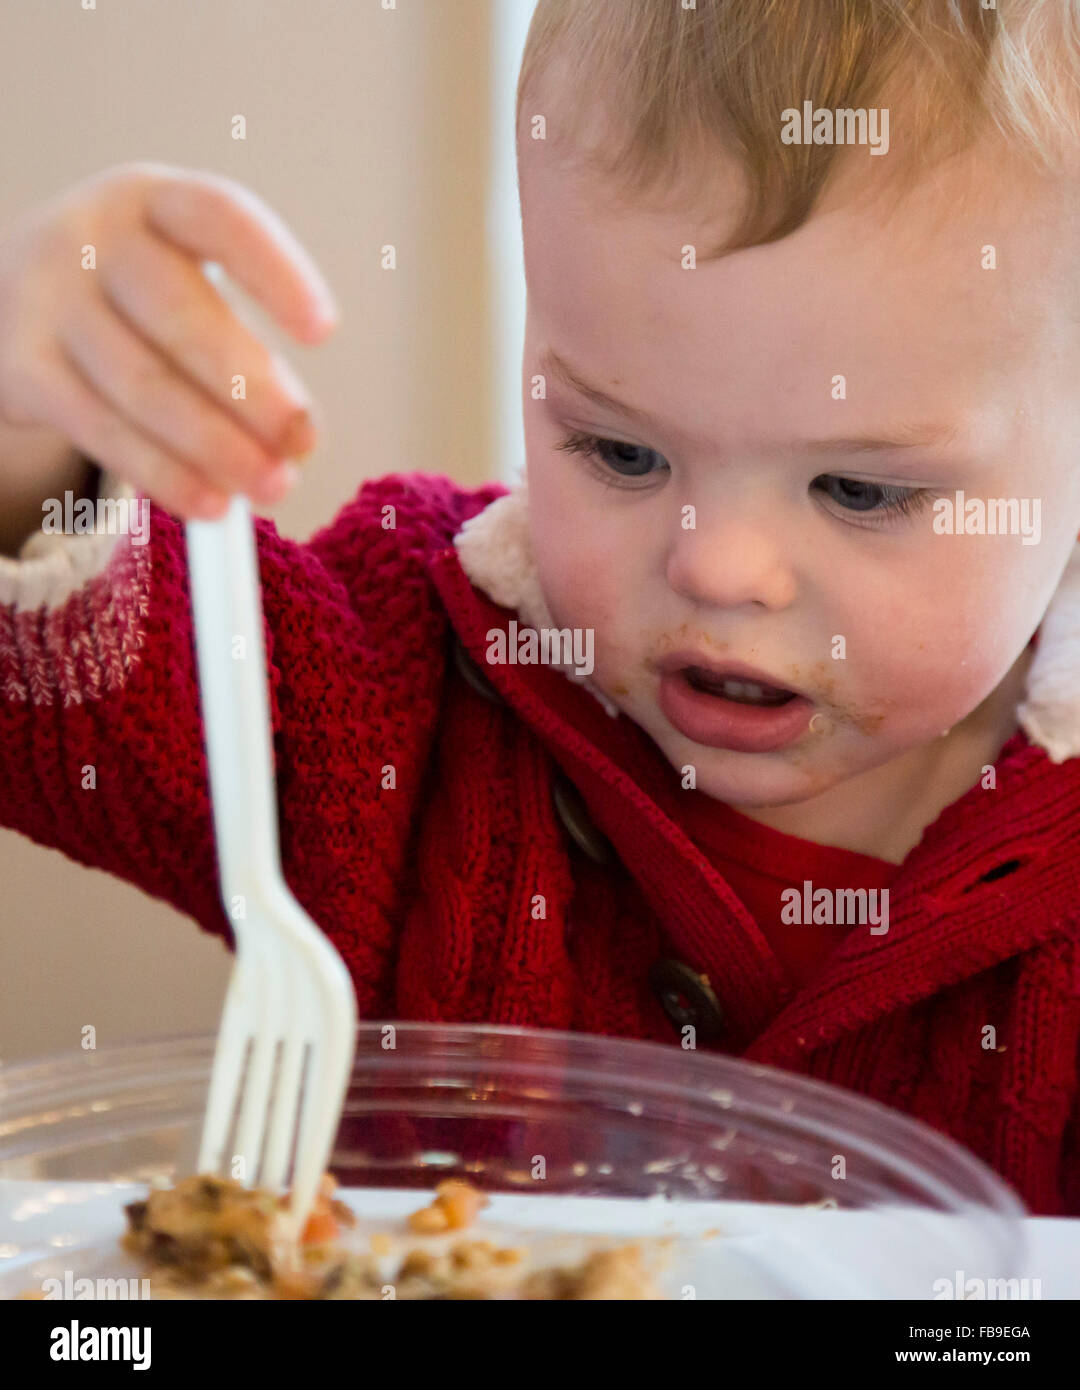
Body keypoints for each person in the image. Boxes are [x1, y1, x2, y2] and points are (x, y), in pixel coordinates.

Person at [1, 0, 1079, 1214]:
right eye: (620, 453)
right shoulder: (402, 686)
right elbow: (66, 698)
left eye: (860, 487)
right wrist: (31, 427)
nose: (718, 569)